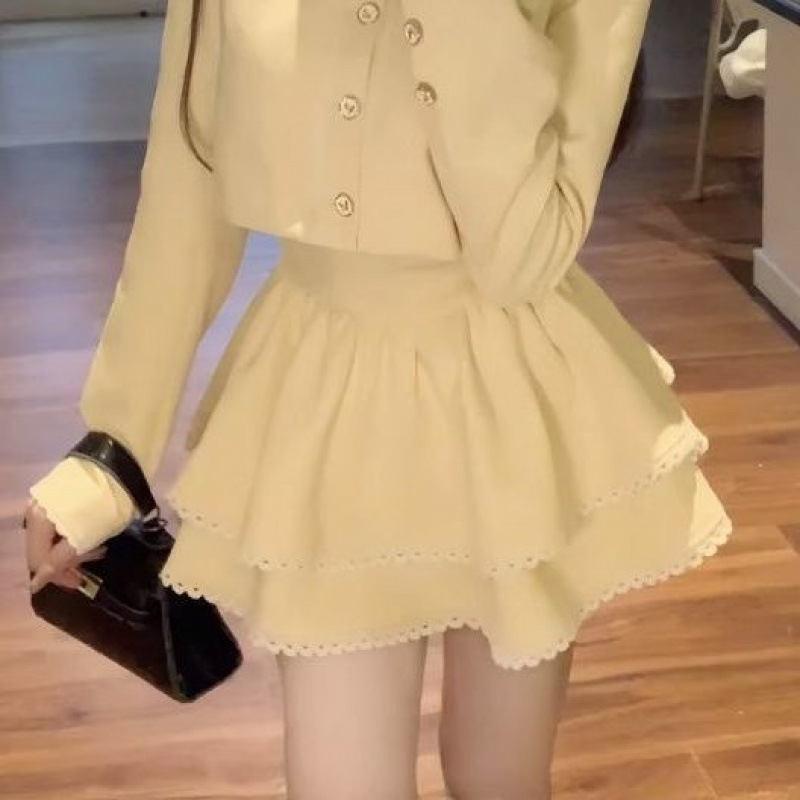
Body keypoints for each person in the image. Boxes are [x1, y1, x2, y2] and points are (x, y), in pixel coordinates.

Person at [23, 1, 734, 797]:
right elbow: (186, 192)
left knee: (499, 777)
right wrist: (113, 447)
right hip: (328, 395)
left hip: (514, 397)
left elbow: (523, 258)